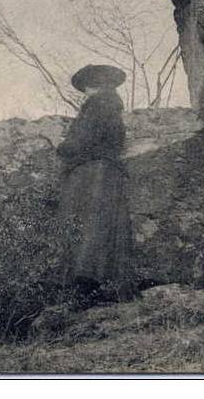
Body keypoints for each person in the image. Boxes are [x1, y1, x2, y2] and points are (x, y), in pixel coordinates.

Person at [56, 64, 134, 306]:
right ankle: (102, 286)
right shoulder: (113, 105)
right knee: (103, 227)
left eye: (88, 85)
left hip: (93, 172)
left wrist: (63, 147)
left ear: (93, 85)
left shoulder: (97, 105)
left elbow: (81, 140)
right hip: (105, 170)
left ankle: (84, 285)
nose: (86, 91)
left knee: (87, 226)